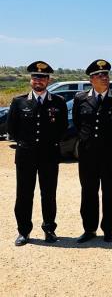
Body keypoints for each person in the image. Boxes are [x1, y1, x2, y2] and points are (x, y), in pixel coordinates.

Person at [8, 61, 68, 246]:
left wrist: (47, 143)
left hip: (49, 155)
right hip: (26, 155)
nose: (38, 81)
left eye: (42, 78)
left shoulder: (58, 102)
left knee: (48, 194)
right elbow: (12, 129)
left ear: (48, 80)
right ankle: (23, 231)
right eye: (35, 77)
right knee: (24, 194)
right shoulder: (19, 102)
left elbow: (62, 128)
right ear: (30, 80)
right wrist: (28, 144)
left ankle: (49, 229)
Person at [73, 59, 112, 243]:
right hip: (88, 155)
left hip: (111, 155)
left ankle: (108, 229)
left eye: (106, 75)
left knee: (110, 192)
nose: (104, 78)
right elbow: (80, 124)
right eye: (99, 75)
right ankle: (89, 229)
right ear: (91, 79)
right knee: (88, 192)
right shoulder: (81, 99)